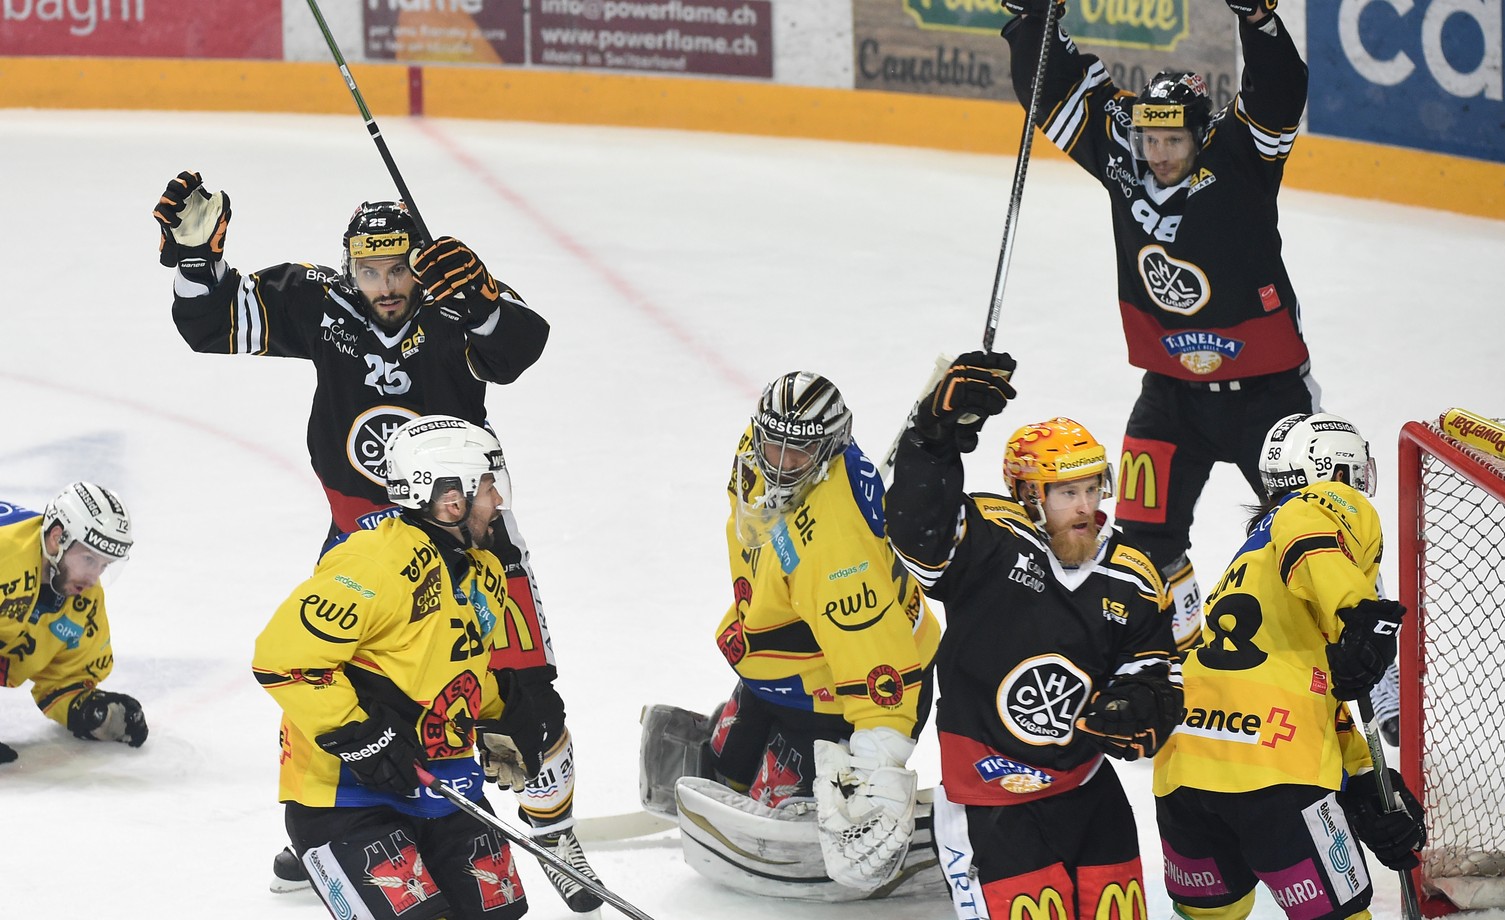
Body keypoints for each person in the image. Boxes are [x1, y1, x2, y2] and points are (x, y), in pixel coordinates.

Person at [154, 171, 600, 909]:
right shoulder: (318, 303)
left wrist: (483, 298)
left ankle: (552, 835)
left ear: (419, 264)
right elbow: (213, 324)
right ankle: (332, 818)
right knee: (339, 678)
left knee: (526, 695)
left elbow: (521, 349)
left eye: (398, 268)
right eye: (369, 270)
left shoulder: (455, 300)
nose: (384, 285)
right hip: (365, 535)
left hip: (473, 537)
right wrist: (197, 261)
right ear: (348, 266)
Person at [999, 0, 1320, 652]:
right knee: (1144, 543)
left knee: (1312, 539)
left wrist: (1258, 22)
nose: (1160, 154)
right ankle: (1171, 664)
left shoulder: (1241, 155)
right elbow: (1055, 88)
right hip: (1170, 397)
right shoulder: (1124, 152)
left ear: (1200, 135)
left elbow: (1280, 90)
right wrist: (1033, 20)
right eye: (1151, 140)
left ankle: (1369, 682)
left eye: (1174, 141)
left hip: (1269, 399)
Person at [885, 352, 1183, 920]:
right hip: (988, 798)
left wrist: (1141, 701)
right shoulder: (989, 541)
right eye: (1066, 493)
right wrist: (934, 436)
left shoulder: (1132, 575)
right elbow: (918, 529)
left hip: (1087, 790)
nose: (1086, 508)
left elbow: (1152, 665)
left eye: (1094, 490)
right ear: (1028, 497)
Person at [251, 415, 572, 919]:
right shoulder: (371, 564)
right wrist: (364, 736)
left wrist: (501, 715)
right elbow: (284, 660)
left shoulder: (482, 569)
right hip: (346, 797)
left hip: (445, 784)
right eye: (488, 486)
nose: (498, 501)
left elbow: (448, 665)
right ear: (451, 499)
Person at [639, 371, 942, 898]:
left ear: (827, 450)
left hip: (853, 690)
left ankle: (846, 798)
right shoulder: (754, 450)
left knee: (787, 813)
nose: (778, 463)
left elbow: (878, 660)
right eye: (771, 445)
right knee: (725, 765)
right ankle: (750, 745)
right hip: (788, 664)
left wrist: (873, 772)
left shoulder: (836, 550)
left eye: (796, 454)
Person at [1152, 413, 1427, 918]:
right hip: (1277, 768)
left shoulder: (1251, 559)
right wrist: (1358, 613)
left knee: (1207, 915)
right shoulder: (1322, 507)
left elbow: (1290, 678)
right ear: (1336, 473)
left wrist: (1363, 775)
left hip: (1187, 762)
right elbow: (1313, 534)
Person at [0, 483, 146, 764]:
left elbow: (64, 678)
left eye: (104, 565)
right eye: (89, 559)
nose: (93, 578)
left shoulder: (84, 600)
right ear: (57, 538)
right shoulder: (5, 555)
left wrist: (88, 711)